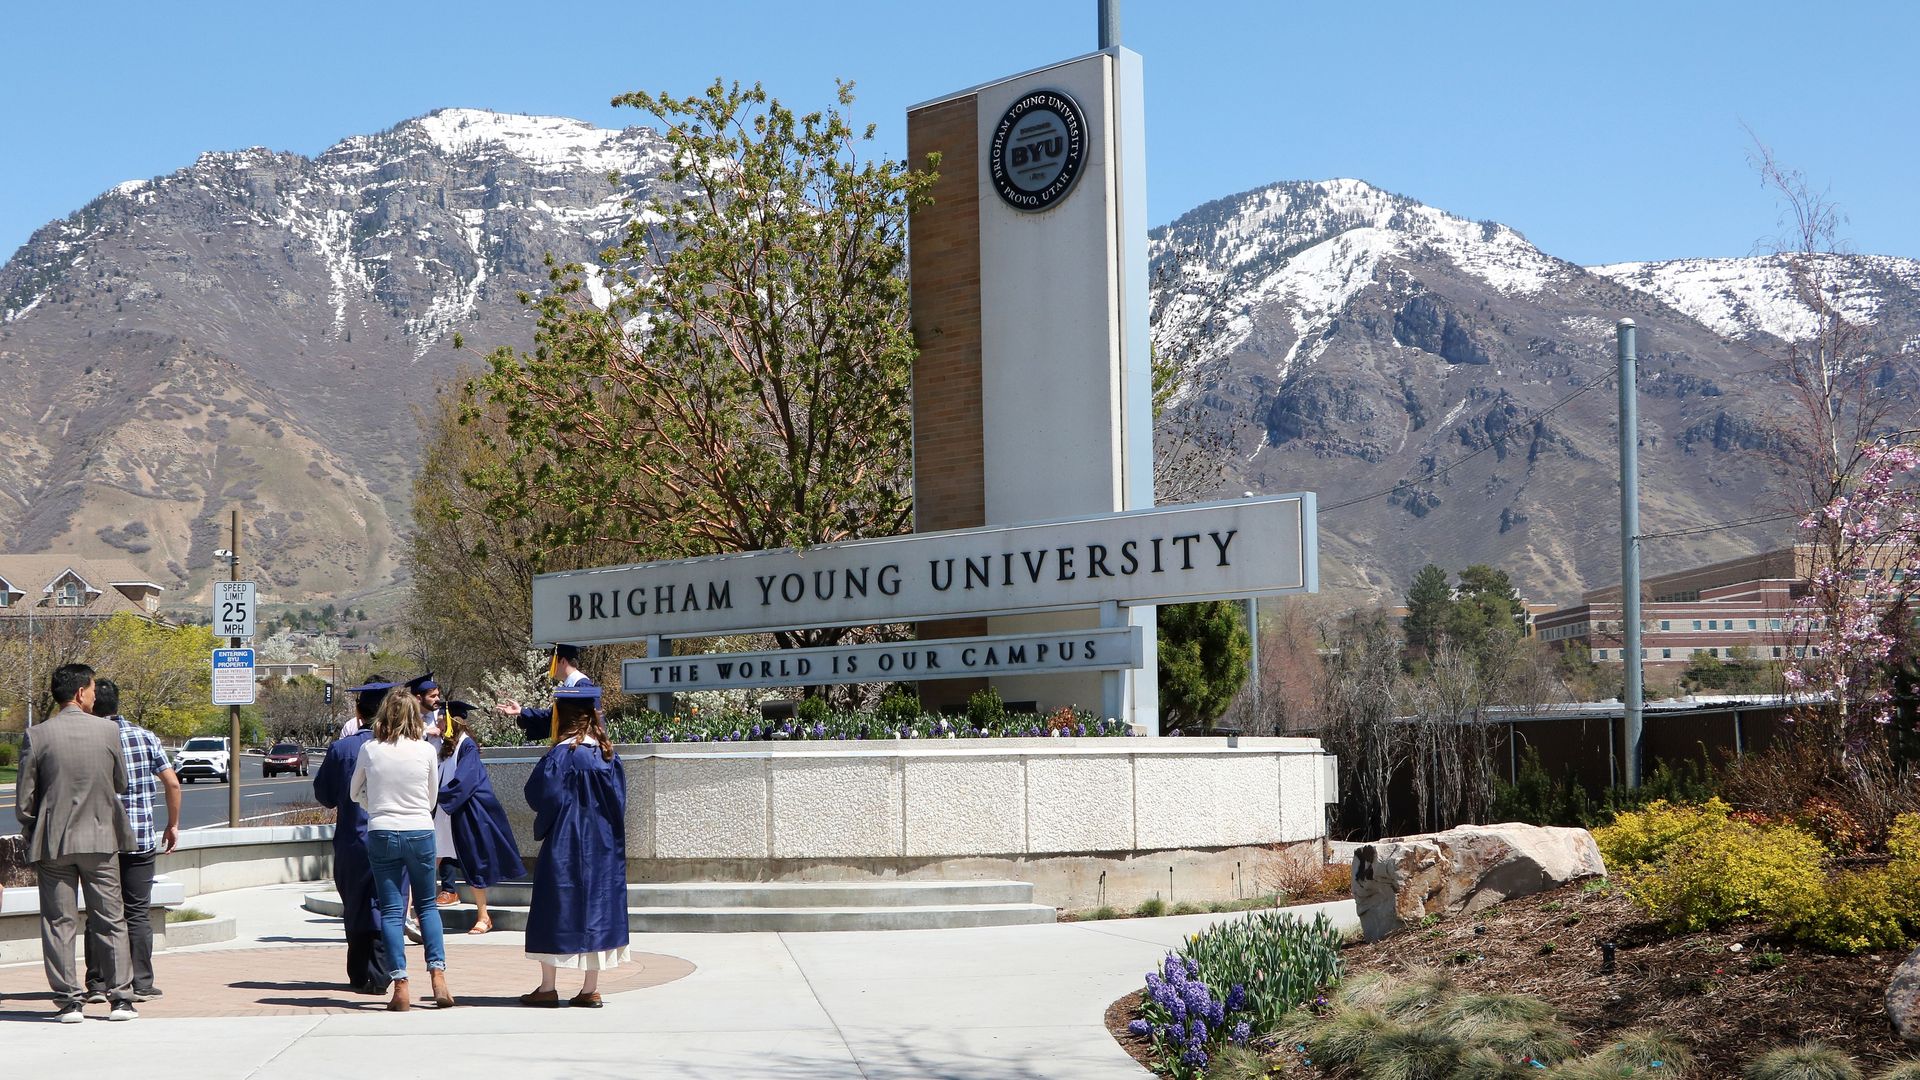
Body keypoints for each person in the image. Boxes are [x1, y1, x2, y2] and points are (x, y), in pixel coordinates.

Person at [14, 663, 139, 1023]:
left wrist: (34, 825)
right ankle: (121, 999)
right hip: (100, 839)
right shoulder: (108, 732)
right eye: (94, 688)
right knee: (111, 919)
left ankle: (69, 1001)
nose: (96, 694)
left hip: (54, 842)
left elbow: (24, 801)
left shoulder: (36, 735)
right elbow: (120, 783)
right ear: (82, 692)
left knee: (58, 922)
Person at [520, 685, 628, 1009]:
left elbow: (539, 796)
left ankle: (548, 987)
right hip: (601, 844)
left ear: (562, 717)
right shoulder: (607, 754)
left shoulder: (560, 754)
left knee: (555, 905)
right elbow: (619, 802)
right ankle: (590, 989)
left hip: (565, 842)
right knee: (598, 905)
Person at [351, 691, 455, 1012]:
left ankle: (401, 985)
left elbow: (354, 792)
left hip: (382, 830)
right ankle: (438, 975)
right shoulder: (425, 750)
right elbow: (431, 798)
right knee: (427, 906)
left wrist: (377, 805)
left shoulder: (370, 749)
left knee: (393, 910)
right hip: (419, 830)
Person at [82, 678, 180, 1003]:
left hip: (99, 840)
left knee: (99, 912)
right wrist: (173, 824)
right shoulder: (146, 737)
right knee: (137, 912)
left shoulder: (88, 738)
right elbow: (172, 783)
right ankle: (141, 982)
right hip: (139, 839)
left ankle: (97, 983)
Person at [313, 677, 395, 995]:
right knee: (387, 903)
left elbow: (326, 795)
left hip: (353, 838)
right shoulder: (404, 747)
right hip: (393, 836)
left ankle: (360, 972)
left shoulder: (343, 748)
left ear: (359, 713)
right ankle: (383, 970)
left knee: (356, 905)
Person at [435, 700, 527, 934]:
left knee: (473, 863)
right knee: (429, 860)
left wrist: (439, 797)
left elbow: (465, 782)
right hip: (445, 812)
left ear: (451, 721)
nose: (437, 721)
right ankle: (416, 913)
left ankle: (484, 916)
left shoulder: (468, 747)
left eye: (441, 718)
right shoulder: (447, 746)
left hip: (464, 812)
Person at [407, 672, 461, 905]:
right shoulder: (408, 720)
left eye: (438, 694)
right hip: (415, 787)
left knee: (444, 834)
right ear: (419, 697)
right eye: (433, 695)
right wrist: (422, 733)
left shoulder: (443, 716)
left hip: (441, 782)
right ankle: (419, 889)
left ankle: (449, 888)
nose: (437, 699)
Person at [494, 644, 594, 743]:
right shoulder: (570, 686)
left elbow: (589, 723)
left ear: (563, 661)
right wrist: (521, 711)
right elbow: (552, 718)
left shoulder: (582, 685)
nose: (549, 668)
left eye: (551, 663)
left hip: (582, 746)